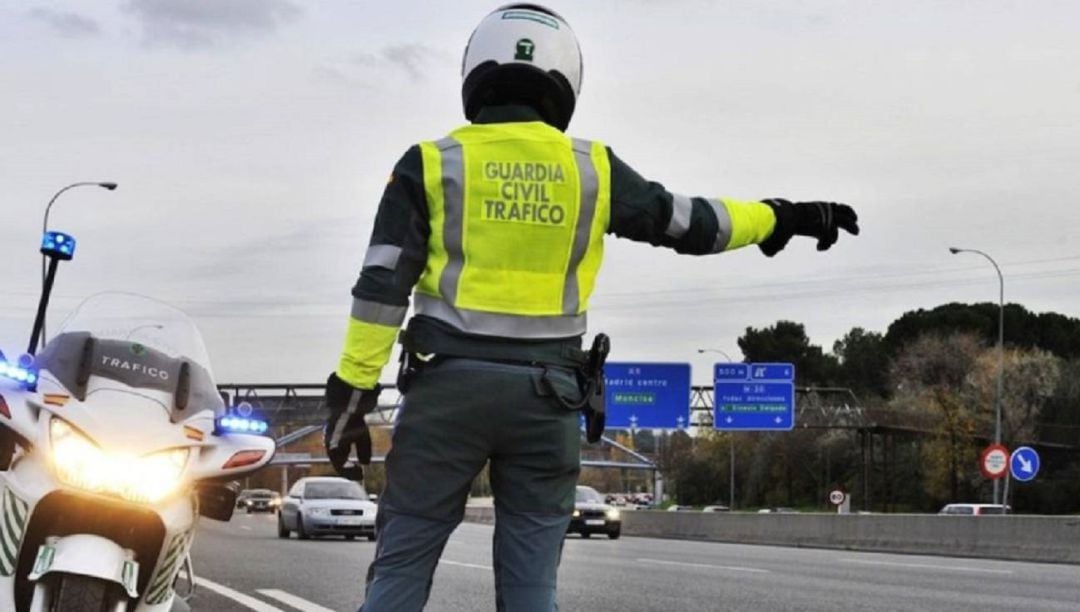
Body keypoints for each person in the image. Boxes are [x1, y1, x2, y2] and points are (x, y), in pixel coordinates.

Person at [323, 4, 859, 611]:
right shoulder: (591, 170)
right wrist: (781, 216)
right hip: (548, 400)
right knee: (531, 586)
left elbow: (381, 285)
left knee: (401, 566)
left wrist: (353, 389)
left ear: (474, 73)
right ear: (565, 82)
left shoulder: (431, 163)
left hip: (446, 395)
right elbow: (689, 221)